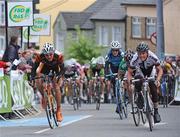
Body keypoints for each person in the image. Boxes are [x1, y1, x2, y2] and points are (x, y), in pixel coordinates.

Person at [127, 42, 163, 123]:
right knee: (137, 82)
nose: (141, 56)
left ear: (147, 52)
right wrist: (130, 82)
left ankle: (156, 111)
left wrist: (158, 80)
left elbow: (160, 70)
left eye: (143, 53)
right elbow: (129, 72)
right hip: (140, 72)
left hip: (151, 71)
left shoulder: (153, 57)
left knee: (153, 89)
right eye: (139, 54)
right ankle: (139, 95)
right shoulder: (135, 58)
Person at [33, 42, 64, 122]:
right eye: (47, 55)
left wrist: (59, 76)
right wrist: (32, 77)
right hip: (44, 68)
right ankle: (44, 96)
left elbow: (62, 69)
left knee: (56, 86)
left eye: (50, 54)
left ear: (53, 52)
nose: (49, 56)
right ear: (44, 54)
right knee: (38, 79)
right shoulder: (40, 56)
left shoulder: (59, 55)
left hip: (55, 69)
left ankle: (58, 110)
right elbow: (34, 68)